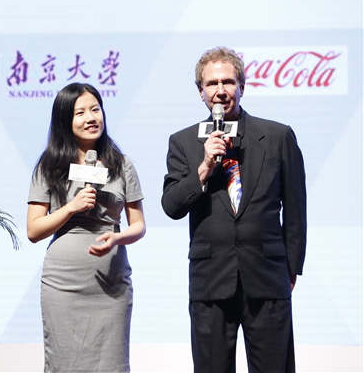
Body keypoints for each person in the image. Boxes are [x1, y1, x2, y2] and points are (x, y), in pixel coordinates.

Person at [161, 47, 306, 373]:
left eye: (228, 81)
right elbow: (171, 205)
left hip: (267, 275)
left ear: (242, 85)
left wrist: (291, 266)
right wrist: (203, 167)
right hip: (210, 279)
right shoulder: (184, 142)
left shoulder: (277, 136)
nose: (220, 90)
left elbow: (296, 208)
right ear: (201, 92)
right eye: (211, 84)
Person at [27, 82, 146, 373]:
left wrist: (117, 237)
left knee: (112, 364)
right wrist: (70, 207)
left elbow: (139, 226)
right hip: (63, 283)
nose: (91, 117)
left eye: (95, 109)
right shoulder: (50, 165)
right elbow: (33, 230)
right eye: (80, 112)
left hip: (110, 281)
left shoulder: (122, 164)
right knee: (65, 363)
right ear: (65, 121)